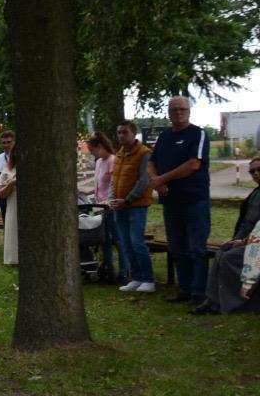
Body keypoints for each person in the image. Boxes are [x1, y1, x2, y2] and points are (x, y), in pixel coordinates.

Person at [149, 96, 212, 303]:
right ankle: (184, 289)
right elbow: (151, 162)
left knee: (196, 248)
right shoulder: (164, 136)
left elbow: (193, 164)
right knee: (177, 247)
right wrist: (156, 181)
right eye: (174, 109)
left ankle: (199, 292)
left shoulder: (198, 134)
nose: (178, 112)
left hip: (194, 201)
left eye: (182, 109)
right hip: (171, 201)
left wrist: (162, 179)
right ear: (168, 112)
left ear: (189, 111)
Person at [192, 158, 260, 315]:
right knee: (222, 252)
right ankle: (212, 301)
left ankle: (235, 304)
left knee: (230, 257)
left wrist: (243, 242)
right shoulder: (255, 193)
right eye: (252, 171)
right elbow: (246, 223)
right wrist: (235, 240)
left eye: (259, 170)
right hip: (249, 242)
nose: (256, 174)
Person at [110, 121, 155, 294]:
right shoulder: (119, 154)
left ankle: (148, 279)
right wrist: (113, 199)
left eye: (125, 132)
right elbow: (115, 179)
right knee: (126, 243)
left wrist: (128, 200)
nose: (121, 135)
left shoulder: (144, 153)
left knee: (137, 242)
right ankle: (136, 277)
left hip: (136, 205)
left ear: (134, 134)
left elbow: (144, 180)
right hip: (119, 206)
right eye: (119, 132)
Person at [83, 132, 118, 282]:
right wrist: (85, 191)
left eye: (92, 150)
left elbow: (113, 185)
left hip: (109, 206)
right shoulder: (99, 162)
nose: (91, 153)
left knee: (116, 238)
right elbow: (98, 186)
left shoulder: (112, 160)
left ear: (100, 146)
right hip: (98, 207)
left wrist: (109, 202)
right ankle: (107, 266)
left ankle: (124, 271)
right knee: (104, 239)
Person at [0, 147, 19, 267]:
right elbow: (1, 193)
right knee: (13, 230)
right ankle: (14, 258)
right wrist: (11, 183)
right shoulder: (7, 169)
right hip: (13, 204)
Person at [0, 130, 16, 218]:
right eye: (3, 143)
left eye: (9, 142)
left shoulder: (20, 155)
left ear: (14, 142)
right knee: (6, 220)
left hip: (16, 195)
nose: (6, 145)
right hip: (3, 195)